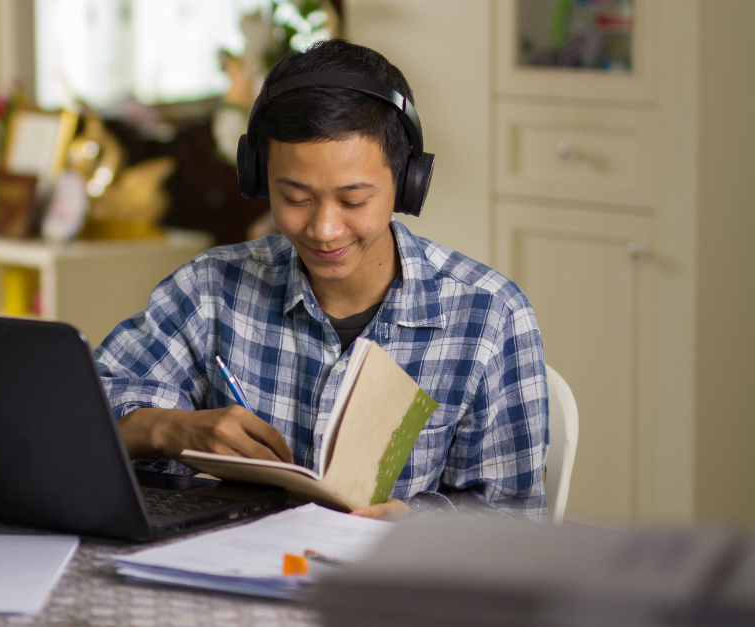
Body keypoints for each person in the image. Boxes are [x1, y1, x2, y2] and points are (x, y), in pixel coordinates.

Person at [92, 39, 548, 520]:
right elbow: (78, 414)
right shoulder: (209, 289)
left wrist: (418, 527)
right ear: (258, 177)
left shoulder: (491, 317)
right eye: (295, 197)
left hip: (390, 586)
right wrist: (172, 429)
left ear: (409, 182)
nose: (324, 230)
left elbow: (514, 523)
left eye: (353, 201)